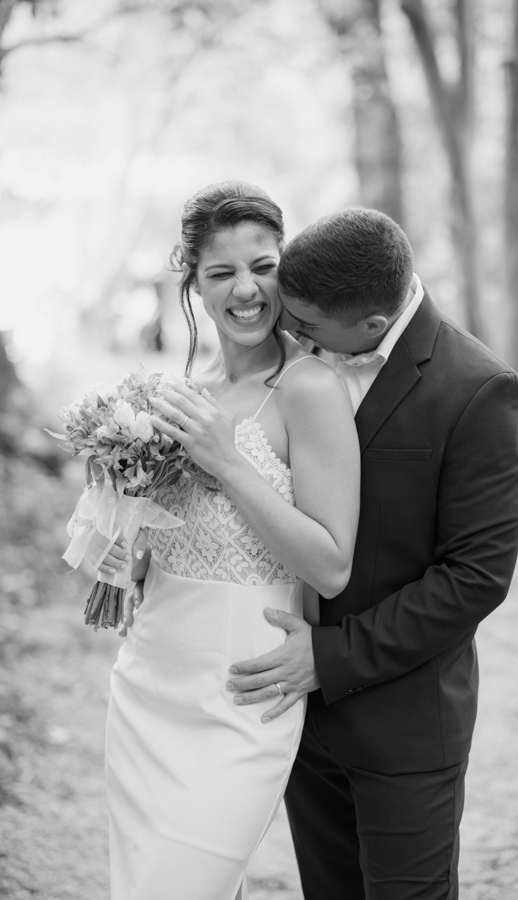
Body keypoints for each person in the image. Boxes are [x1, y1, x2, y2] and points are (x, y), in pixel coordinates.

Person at [222, 208, 518, 899]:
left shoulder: (477, 390)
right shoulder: (290, 369)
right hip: (301, 727)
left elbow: (473, 579)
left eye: (306, 326)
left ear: (368, 326)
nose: (290, 334)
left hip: (405, 728)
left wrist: (327, 658)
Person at [95, 181, 360, 900]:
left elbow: (331, 567)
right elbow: (170, 546)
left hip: (242, 694)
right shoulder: (181, 394)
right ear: (194, 281)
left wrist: (229, 461)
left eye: (263, 266)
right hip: (149, 681)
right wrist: (131, 559)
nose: (246, 290)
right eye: (221, 273)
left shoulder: (308, 388)